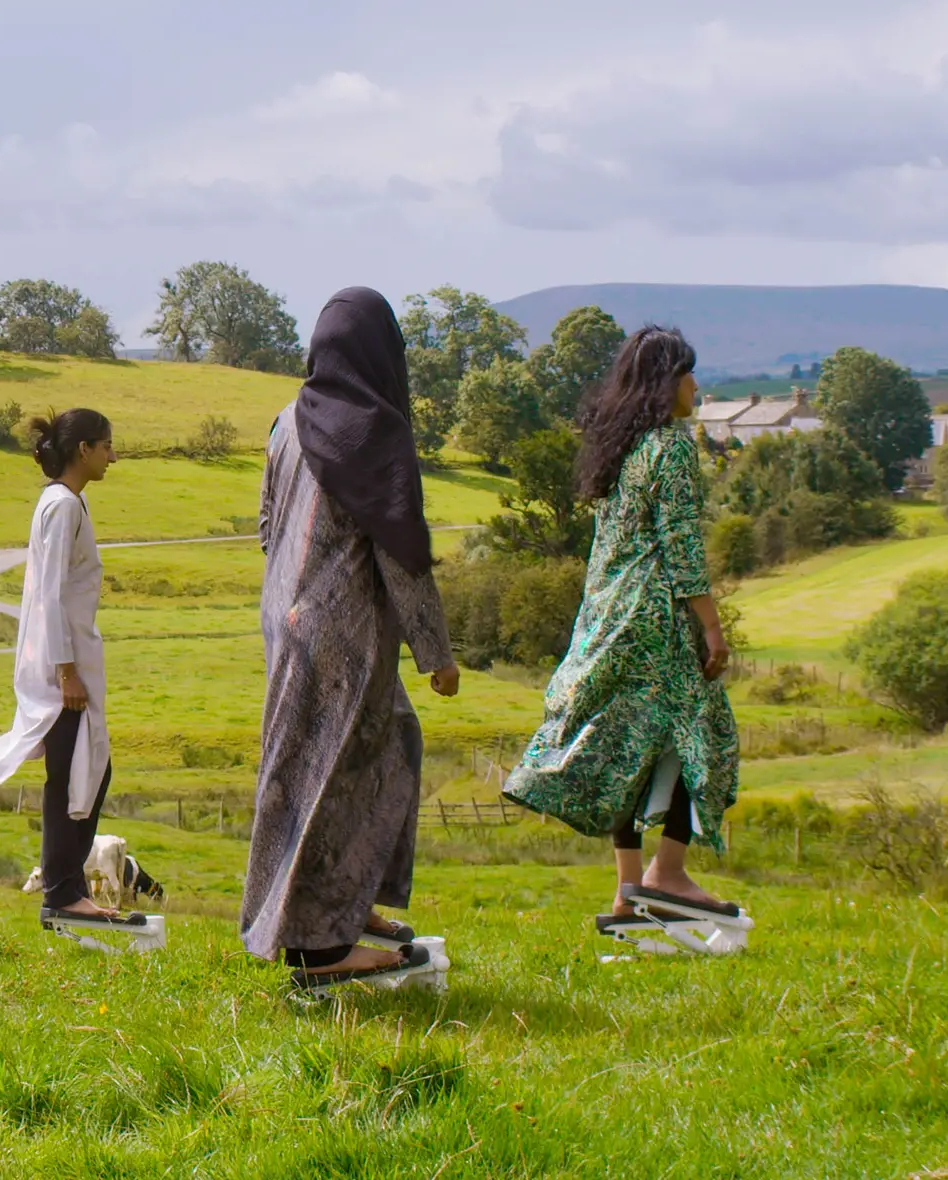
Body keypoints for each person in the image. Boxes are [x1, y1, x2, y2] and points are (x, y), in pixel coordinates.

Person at [243, 287, 460, 988]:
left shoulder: (287, 421)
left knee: (382, 746)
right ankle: (316, 949)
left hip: (290, 619)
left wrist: (288, 602)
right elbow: (402, 552)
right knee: (333, 779)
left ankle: (348, 906)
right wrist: (437, 653)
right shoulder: (373, 430)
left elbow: (267, 525)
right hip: (345, 632)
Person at [503, 327, 740, 928]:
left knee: (629, 746)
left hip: (609, 617)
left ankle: (628, 889)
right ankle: (670, 875)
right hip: (657, 619)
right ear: (666, 384)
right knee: (702, 735)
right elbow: (682, 547)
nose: (695, 385)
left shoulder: (621, 449)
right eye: (688, 373)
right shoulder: (672, 447)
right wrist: (712, 629)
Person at [0, 408, 124, 920]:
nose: (112, 457)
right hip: (63, 667)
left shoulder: (68, 503)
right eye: (106, 447)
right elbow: (50, 596)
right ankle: (63, 891)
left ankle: (67, 888)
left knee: (83, 770)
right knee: (73, 775)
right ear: (83, 451)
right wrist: (65, 671)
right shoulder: (62, 508)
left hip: (71, 659)